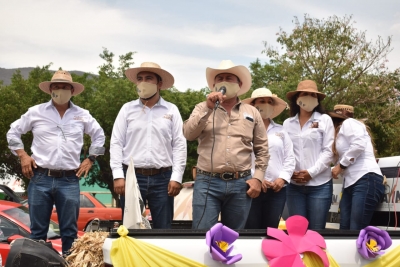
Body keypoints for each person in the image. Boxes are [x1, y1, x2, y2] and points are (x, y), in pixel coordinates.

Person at [6, 70, 105, 255]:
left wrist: (91, 159)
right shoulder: (36, 112)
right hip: (39, 177)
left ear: (72, 91)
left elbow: (99, 136)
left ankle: (68, 263)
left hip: (69, 179)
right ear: (50, 89)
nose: (60, 89)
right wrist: (23, 155)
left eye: (65, 87)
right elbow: (12, 132)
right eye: (56, 86)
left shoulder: (82, 115)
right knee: (37, 232)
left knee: (69, 232)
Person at [183, 60, 269, 230]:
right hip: (207, 182)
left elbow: (262, 149)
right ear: (214, 85)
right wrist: (208, 108)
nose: (223, 81)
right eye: (220, 78)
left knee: (234, 237)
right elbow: (188, 134)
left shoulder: (252, 112)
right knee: (202, 234)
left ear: (239, 84)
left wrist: (258, 178)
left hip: (241, 183)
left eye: (229, 78)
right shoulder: (201, 107)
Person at [110, 62, 187, 229]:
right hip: (131, 176)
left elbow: (179, 144)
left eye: (149, 78)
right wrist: (118, 175)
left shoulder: (171, 110)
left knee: (163, 229)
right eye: (140, 79)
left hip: (163, 178)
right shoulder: (127, 109)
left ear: (159, 84)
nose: (143, 82)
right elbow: (116, 142)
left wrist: (176, 177)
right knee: (131, 229)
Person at [283, 80, 334, 230]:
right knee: (297, 231)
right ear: (297, 98)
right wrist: (289, 172)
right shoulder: (287, 123)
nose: (309, 97)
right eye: (305, 94)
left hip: (320, 184)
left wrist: (311, 173)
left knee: (316, 232)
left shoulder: (325, 120)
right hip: (294, 186)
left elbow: (328, 151)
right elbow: (285, 152)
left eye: (313, 95)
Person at [242, 88, 295, 229]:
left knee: (271, 231)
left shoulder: (281, 131)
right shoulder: (243, 130)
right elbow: (239, 158)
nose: (266, 104)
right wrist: (256, 178)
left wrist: (282, 178)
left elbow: (290, 158)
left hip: (276, 190)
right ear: (253, 105)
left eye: (269, 102)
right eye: (262, 101)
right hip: (250, 188)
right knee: (250, 230)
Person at [329, 104, 385, 230]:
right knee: (345, 229)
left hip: (365, 177)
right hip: (350, 182)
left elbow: (359, 144)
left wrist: (340, 166)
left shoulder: (349, 123)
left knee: (356, 229)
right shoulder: (337, 134)